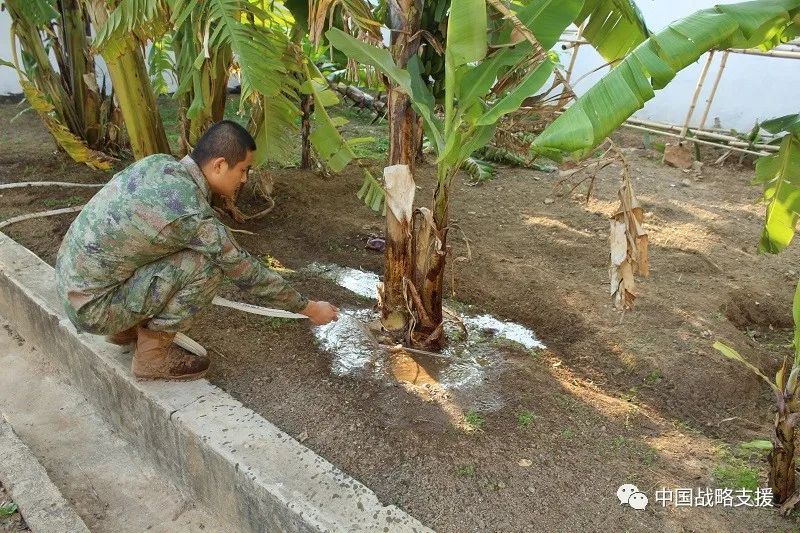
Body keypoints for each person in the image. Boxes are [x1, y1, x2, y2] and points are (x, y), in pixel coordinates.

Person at [55, 120, 338, 381]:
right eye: (243, 170)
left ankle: (126, 329)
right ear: (219, 166)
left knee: (166, 251)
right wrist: (310, 308)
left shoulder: (160, 163)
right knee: (207, 265)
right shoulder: (191, 214)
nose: (243, 180)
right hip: (94, 309)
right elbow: (245, 272)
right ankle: (151, 357)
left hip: (73, 285)